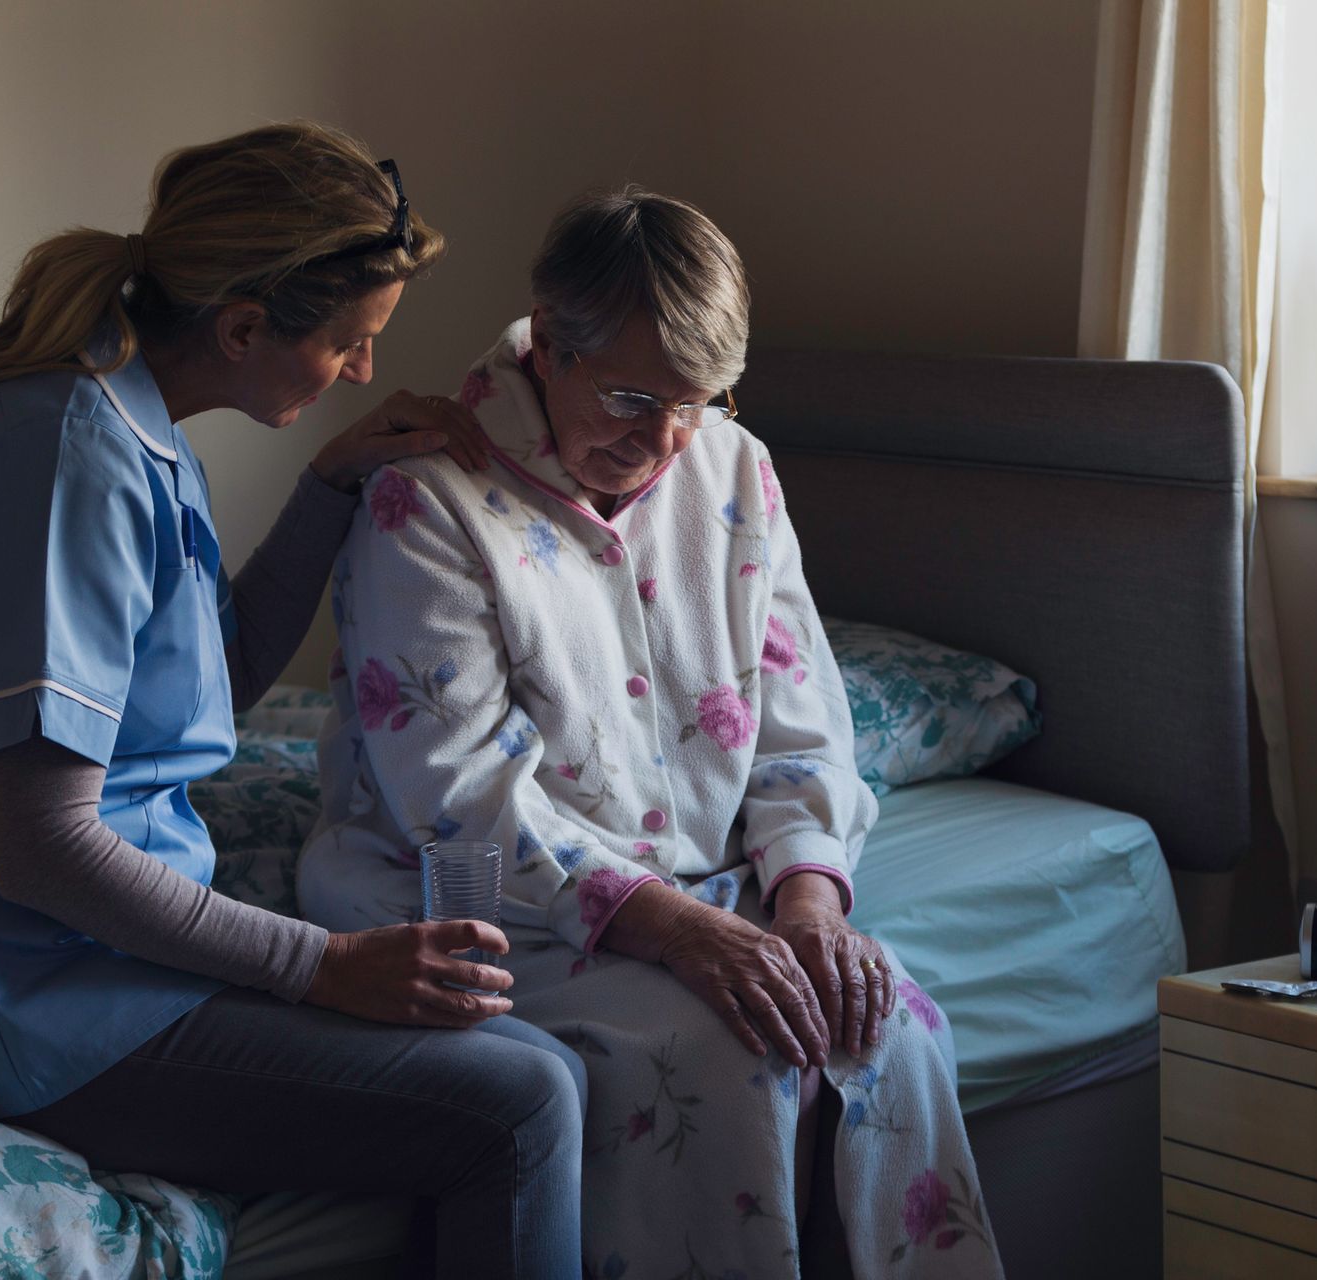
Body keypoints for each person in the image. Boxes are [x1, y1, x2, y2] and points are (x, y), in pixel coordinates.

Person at [0, 122, 585, 1280]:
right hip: (18, 987)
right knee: (521, 1101)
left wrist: (331, 484)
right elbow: (42, 844)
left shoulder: (128, 417)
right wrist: (324, 962)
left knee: (541, 1061)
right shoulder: (67, 451)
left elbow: (206, 676)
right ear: (242, 328)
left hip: (77, 952)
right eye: (349, 341)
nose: (361, 369)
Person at [298, 188, 1004, 1279]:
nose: (666, 439)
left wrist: (808, 906)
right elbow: (460, 795)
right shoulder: (429, 497)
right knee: (723, 1063)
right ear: (548, 343)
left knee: (885, 1028)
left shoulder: (734, 464)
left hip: (708, 888)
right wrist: (673, 930)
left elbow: (799, 721)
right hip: (490, 911)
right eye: (633, 396)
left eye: (698, 400)